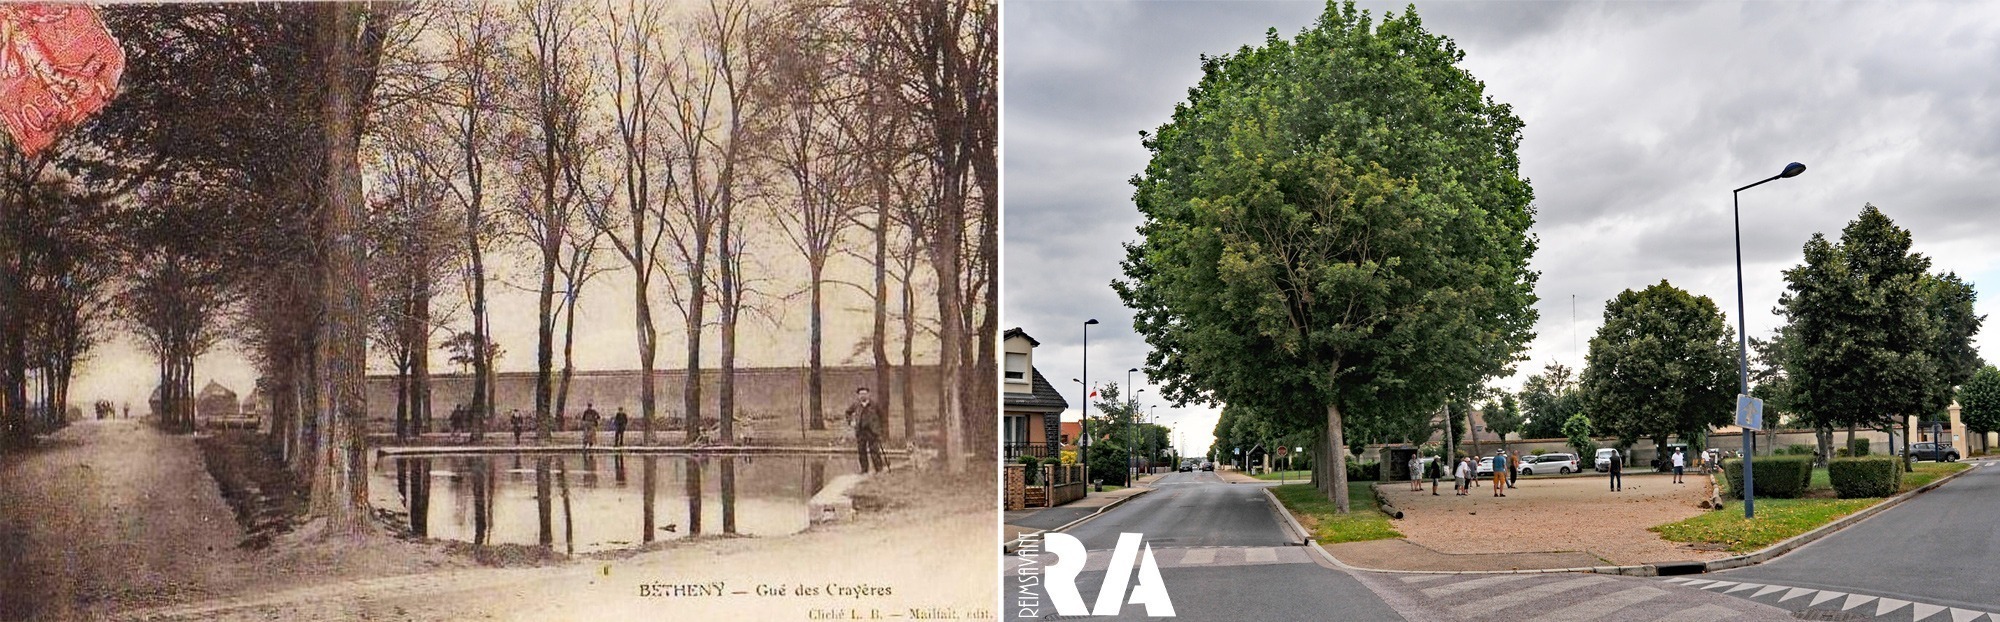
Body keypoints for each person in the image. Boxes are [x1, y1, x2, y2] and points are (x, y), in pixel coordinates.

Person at [845, 386, 888, 473]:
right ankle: (864, 470)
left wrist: (880, 429)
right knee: (861, 451)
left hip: (872, 431)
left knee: (874, 451)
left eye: (864, 394)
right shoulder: (856, 405)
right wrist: (851, 422)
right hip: (860, 431)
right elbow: (848, 413)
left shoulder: (874, 404)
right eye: (861, 394)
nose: (862, 396)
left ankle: (878, 469)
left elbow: (882, 417)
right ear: (858, 395)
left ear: (868, 394)